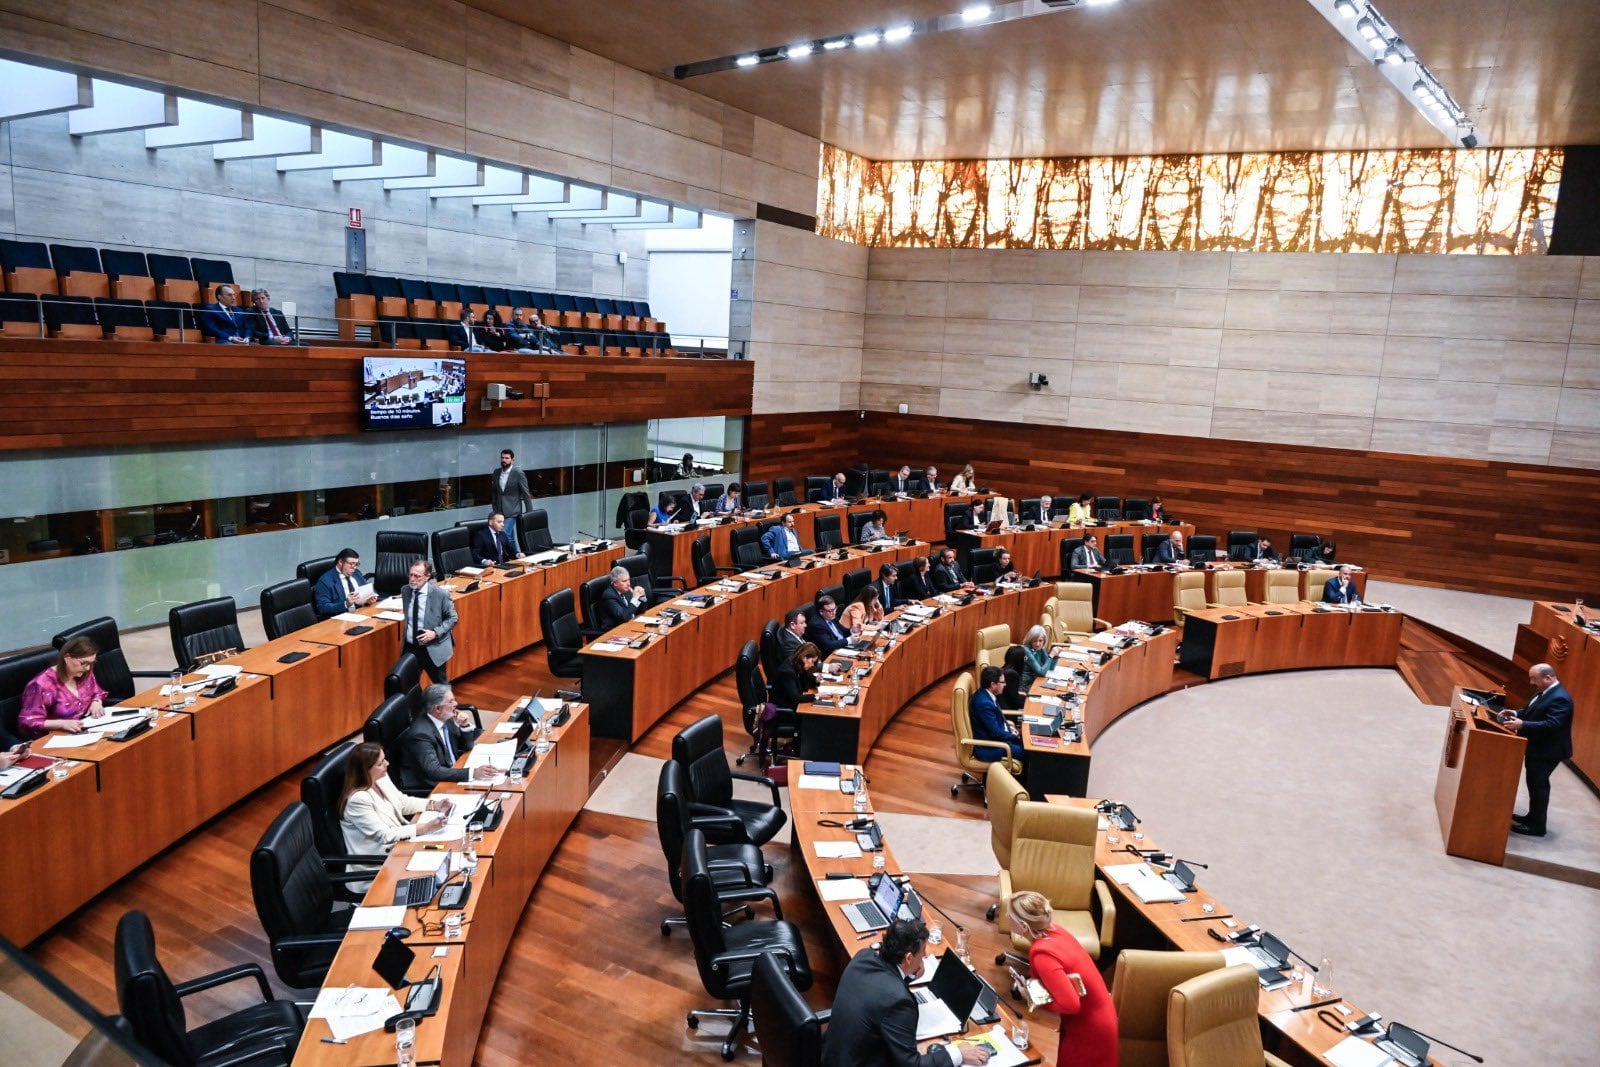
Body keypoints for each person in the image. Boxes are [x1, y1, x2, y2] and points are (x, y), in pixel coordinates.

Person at [821, 919, 992, 1067]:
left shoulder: (863, 957)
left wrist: (910, 974)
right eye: (923, 953)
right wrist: (957, 1053)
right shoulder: (899, 1002)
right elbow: (912, 1065)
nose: (924, 957)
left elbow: (884, 981)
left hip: (833, 1056)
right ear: (909, 958)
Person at [1006, 891, 1118, 1067]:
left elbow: (1071, 1005)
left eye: (1010, 917)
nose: (1006, 917)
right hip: (1099, 1016)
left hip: (1090, 1030)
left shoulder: (1042, 955)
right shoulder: (1057, 931)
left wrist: (1031, 998)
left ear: (1023, 926)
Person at [338, 742, 454, 883]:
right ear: (365, 770)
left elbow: (402, 802)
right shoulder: (357, 799)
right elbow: (384, 835)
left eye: (384, 759)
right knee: (436, 875)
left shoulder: (380, 778)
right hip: (378, 865)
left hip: (400, 847)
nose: (387, 764)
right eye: (381, 763)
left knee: (447, 856)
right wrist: (425, 828)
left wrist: (434, 805)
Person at [1500, 663, 1575, 837]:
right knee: (1534, 784)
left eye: (1534, 678)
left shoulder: (1560, 698)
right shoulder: (1544, 692)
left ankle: (1537, 827)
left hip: (1548, 751)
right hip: (1538, 747)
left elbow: (1553, 724)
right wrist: (1515, 714)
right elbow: (1530, 711)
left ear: (1548, 678)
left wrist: (1523, 724)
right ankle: (1532, 818)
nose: (1531, 682)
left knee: (1539, 785)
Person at [394, 684, 497, 794]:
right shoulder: (420, 735)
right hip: (431, 784)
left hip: (451, 768)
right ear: (437, 708)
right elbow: (434, 771)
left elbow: (466, 746)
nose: (456, 704)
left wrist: (464, 726)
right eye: (451, 701)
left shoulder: (444, 716)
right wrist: (472, 773)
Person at [18, 637, 105, 739]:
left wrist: (96, 701)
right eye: (83, 663)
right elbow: (28, 721)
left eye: (91, 663)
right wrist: (61, 724)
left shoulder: (84, 674)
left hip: (83, 731)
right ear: (67, 657)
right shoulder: (42, 684)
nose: (87, 668)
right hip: (53, 738)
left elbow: (97, 692)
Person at [400, 560, 457, 684]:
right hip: (411, 647)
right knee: (408, 685)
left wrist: (435, 633)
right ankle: (416, 704)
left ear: (427, 576)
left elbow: (453, 618)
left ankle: (448, 704)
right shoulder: (405, 590)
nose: (412, 579)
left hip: (432, 646)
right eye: (410, 575)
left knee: (441, 686)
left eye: (417, 576)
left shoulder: (440, 594)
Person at [969, 666, 1023, 763]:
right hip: (991, 747)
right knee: (1027, 752)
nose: (1005, 685)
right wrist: (1013, 736)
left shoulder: (986, 694)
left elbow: (997, 721)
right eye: (1002, 682)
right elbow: (996, 733)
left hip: (996, 739)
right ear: (993, 684)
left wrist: (1009, 729)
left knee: (1026, 745)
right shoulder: (984, 704)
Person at [491, 449, 535, 552]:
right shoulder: (496, 472)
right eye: (502, 458)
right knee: (510, 538)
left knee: (504, 534)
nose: (504, 460)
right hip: (499, 511)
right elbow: (494, 492)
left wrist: (530, 513)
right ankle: (516, 556)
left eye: (507, 458)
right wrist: (494, 508)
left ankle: (507, 557)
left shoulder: (518, 473)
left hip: (512, 511)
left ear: (512, 460)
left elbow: (526, 493)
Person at [315, 547, 378, 617]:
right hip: (343, 619)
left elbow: (367, 590)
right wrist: (346, 603)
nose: (355, 567)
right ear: (340, 562)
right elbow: (323, 607)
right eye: (351, 564)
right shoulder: (325, 581)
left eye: (356, 564)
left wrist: (369, 599)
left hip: (363, 613)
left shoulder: (357, 573)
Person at [595, 565, 647, 630]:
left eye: (628, 580)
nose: (628, 584)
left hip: (629, 625)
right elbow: (624, 616)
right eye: (624, 581)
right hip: (614, 631)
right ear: (615, 583)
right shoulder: (609, 596)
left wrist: (642, 596)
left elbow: (641, 610)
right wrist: (635, 599)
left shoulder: (626, 590)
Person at [772, 642, 821, 709]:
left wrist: (816, 680)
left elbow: (805, 679)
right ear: (804, 657)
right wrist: (816, 696)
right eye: (812, 661)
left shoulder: (797, 663)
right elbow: (795, 698)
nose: (812, 665)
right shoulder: (787, 672)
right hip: (786, 709)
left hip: (795, 704)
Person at [999, 646, 1027, 711]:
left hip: (1006, 704)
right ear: (1020, 660)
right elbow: (1014, 700)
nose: (1026, 659)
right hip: (1008, 711)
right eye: (1025, 657)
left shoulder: (1004, 668)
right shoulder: (1011, 675)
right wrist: (1029, 701)